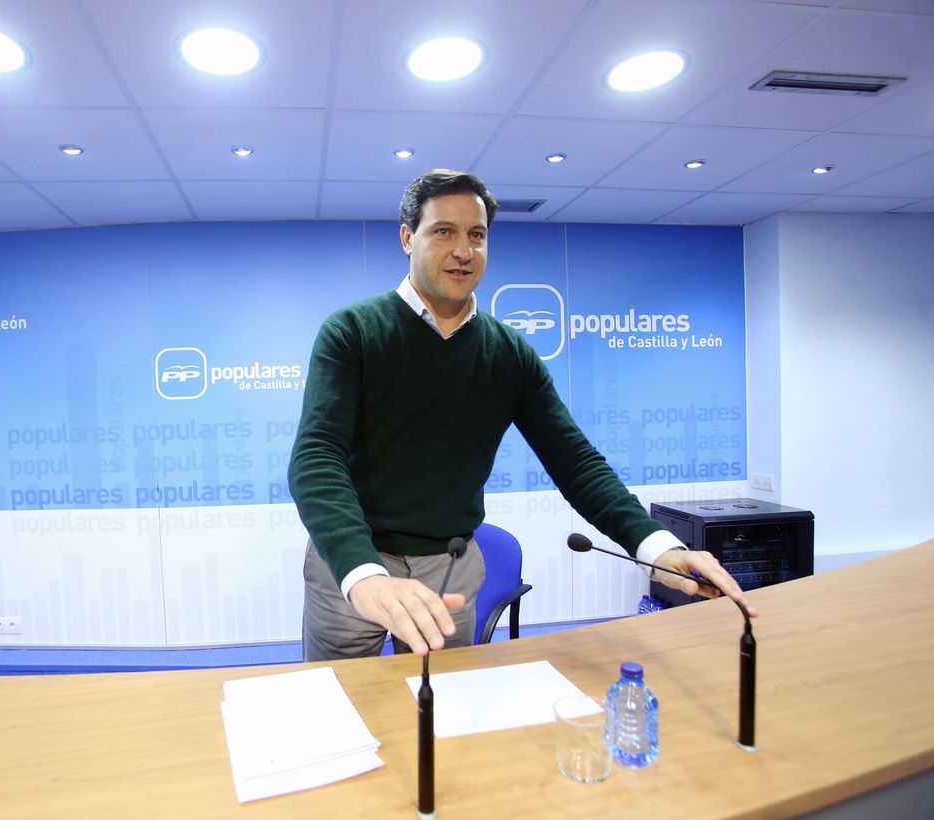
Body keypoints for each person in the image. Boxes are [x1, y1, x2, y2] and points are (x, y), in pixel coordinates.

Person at [288, 169, 756, 662]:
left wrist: (656, 548)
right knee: (339, 707)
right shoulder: (352, 332)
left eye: (477, 235)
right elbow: (316, 459)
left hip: (450, 565)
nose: (463, 251)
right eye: (443, 231)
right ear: (408, 238)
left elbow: (575, 461)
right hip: (355, 559)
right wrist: (362, 575)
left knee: (439, 711)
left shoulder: (508, 353)